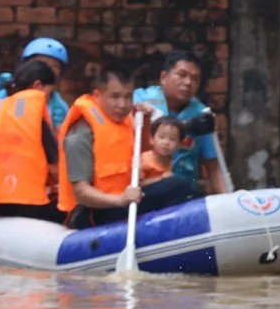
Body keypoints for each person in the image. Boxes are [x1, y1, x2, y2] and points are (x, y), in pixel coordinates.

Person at [58, 67, 202, 229]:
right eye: (115, 97)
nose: (123, 104)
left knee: (186, 187)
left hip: (125, 198)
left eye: (128, 97)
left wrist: (146, 120)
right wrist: (120, 200)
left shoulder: (126, 121)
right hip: (91, 211)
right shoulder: (81, 135)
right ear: (97, 96)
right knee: (176, 187)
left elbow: (145, 154)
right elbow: (81, 194)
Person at [0, 60, 65, 223]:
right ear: (38, 86)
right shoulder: (34, 113)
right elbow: (56, 169)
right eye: (49, 93)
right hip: (29, 206)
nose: (48, 99)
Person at [133, 51, 226, 194]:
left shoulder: (201, 114)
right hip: (144, 192)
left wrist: (227, 199)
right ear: (164, 77)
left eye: (195, 79)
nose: (188, 83)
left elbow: (213, 165)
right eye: (182, 75)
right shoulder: (140, 100)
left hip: (184, 197)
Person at [0, 37, 71, 129]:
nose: (47, 69)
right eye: (41, 63)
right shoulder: (6, 93)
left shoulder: (59, 107)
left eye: (54, 66)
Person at [140, 117, 183, 186]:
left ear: (179, 145)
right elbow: (138, 185)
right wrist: (161, 179)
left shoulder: (175, 162)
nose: (166, 142)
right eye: (161, 137)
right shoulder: (144, 159)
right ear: (151, 139)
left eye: (172, 139)